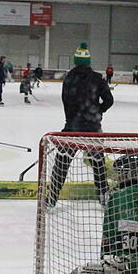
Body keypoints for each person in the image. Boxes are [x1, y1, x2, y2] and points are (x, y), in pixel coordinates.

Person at [47, 43, 113, 208]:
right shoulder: (97, 78)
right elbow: (109, 100)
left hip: (72, 128)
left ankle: (51, 198)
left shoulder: (69, 78)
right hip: (93, 129)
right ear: (89, 61)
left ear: (75, 61)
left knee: (61, 164)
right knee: (98, 163)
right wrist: (97, 111)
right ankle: (103, 194)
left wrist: (72, 118)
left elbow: (65, 100)